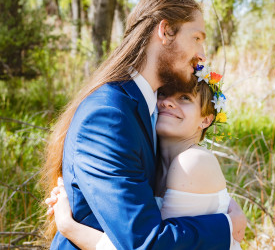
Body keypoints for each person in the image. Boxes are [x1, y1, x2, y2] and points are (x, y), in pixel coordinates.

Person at [43, 0, 242, 249]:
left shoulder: (155, 109)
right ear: (165, 31)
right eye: (196, 38)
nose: (202, 55)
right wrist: (227, 227)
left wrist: (225, 202)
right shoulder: (108, 115)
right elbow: (143, 242)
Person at [46, 79, 247, 250]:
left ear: (205, 120)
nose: (168, 102)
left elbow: (153, 246)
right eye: (165, 94)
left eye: (184, 98)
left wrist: (68, 226)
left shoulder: (191, 161)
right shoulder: (155, 158)